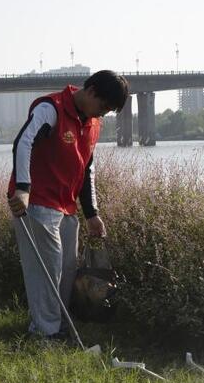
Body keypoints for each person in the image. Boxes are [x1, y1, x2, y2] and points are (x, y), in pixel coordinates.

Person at [7, 70, 129, 340]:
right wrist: (23, 189)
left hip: (66, 207)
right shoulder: (51, 108)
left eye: (108, 111)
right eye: (103, 107)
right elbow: (23, 143)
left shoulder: (93, 124)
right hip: (36, 202)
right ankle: (44, 333)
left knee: (66, 271)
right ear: (91, 91)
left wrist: (92, 213)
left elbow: (87, 168)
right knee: (47, 269)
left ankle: (59, 327)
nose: (102, 114)